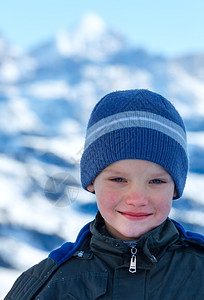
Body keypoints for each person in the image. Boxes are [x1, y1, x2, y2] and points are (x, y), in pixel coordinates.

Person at [5, 89, 204, 300]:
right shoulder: (46, 285)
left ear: (175, 188)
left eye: (156, 181)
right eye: (118, 180)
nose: (136, 198)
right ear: (91, 181)